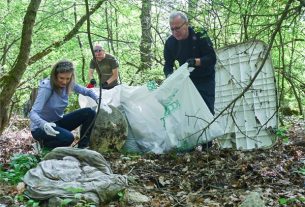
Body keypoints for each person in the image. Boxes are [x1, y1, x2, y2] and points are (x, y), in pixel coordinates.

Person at [30, 59, 99, 149]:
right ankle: (42, 146)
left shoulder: (69, 84)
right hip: (41, 128)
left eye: (68, 78)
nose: (64, 82)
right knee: (68, 138)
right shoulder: (47, 87)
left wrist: (98, 98)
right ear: (55, 76)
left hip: (57, 123)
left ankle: (82, 148)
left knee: (89, 113)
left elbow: (87, 91)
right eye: (61, 78)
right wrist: (44, 124)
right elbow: (33, 113)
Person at [163, 11, 216, 115]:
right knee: (188, 112)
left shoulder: (199, 34)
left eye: (177, 28)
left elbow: (212, 58)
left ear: (186, 24)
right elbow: (168, 65)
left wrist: (196, 61)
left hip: (205, 78)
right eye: (172, 29)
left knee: (206, 110)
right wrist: (169, 77)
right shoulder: (170, 43)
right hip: (186, 80)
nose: (175, 32)